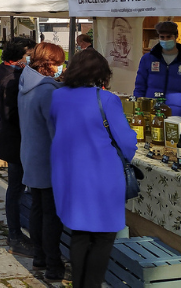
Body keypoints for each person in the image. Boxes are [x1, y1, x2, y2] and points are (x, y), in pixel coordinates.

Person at [51, 49, 137, 288]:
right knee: (103, 236)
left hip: (69, 173)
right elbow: (127, 141)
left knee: (79, 232)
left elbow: (55, 129)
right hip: (102, 175)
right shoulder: (107, 99)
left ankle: (79, 283)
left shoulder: (58, 97)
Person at [17, 42, 67, 281]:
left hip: (30, 152)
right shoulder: (47, 90)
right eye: (58, 63)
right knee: (50, 214)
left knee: (38, 207)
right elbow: (55, 129)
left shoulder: (27, 82)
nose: (60, 67)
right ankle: (53, 263)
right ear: (50, 63)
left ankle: (39, 255)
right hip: (46, 156)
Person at [0, 37, 36, 257]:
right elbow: (10, 114)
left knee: (17, 187)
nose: (30, 57)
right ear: (21, 54)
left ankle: (18, 228)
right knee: (16, 187)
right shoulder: (11, 78)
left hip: (15, 139)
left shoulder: (9, 71)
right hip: (16, 140)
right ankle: (14, 233)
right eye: (29, 53)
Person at [133, 21, 181, 123]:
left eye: (168, 37)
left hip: (178, 116)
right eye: (162, 37)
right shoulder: (147, 59)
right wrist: (138, 110)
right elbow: (140, 87)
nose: (165, 40)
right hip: (152, 114)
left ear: (176, 36)